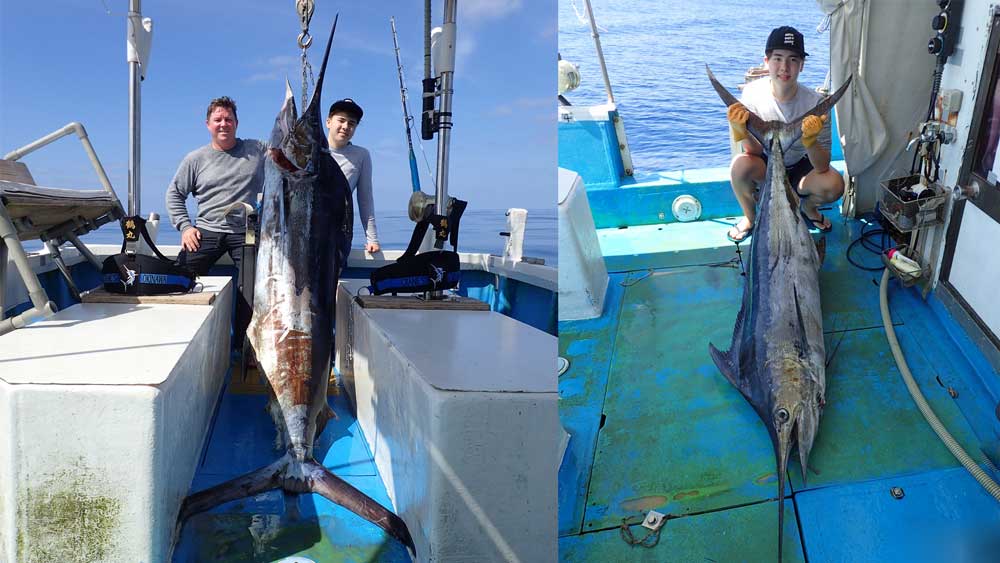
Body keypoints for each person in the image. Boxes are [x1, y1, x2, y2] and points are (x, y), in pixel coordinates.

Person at [725, 26, 844, 242]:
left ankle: (808, 209)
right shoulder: (752, 94)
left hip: (801, 167)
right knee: (739, 166)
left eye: (793, 60)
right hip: (766, 165)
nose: (784, 67)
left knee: (834, 184)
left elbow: (822, 166)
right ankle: (751, 218)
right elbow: (753, 151)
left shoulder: (815, 103)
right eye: (777, 58)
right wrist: (740, 131)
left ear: (802, 65)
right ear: (766, 62)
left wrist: (809, 141)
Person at [165, 96, 267, 342]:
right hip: (206, 229)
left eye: (228, 119)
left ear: (237, 123)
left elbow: (290, 153)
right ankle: (180, 337)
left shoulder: (259, 150)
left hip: (247, 231)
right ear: (208, 124)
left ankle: (245, 346)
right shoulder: (196, 159)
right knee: (180, 280)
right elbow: (174, 194)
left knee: (252, 289)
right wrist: (185, 227)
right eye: (218, 120)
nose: (224, 124)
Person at [325, 98, 380, 270]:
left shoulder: (361, 155)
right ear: (328, 122)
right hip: (308, 230)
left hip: (338, 233)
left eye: (352, 123)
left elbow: (365, 199)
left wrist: (372, 238)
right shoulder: (312, 150)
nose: (345, 126)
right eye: (341, 120)